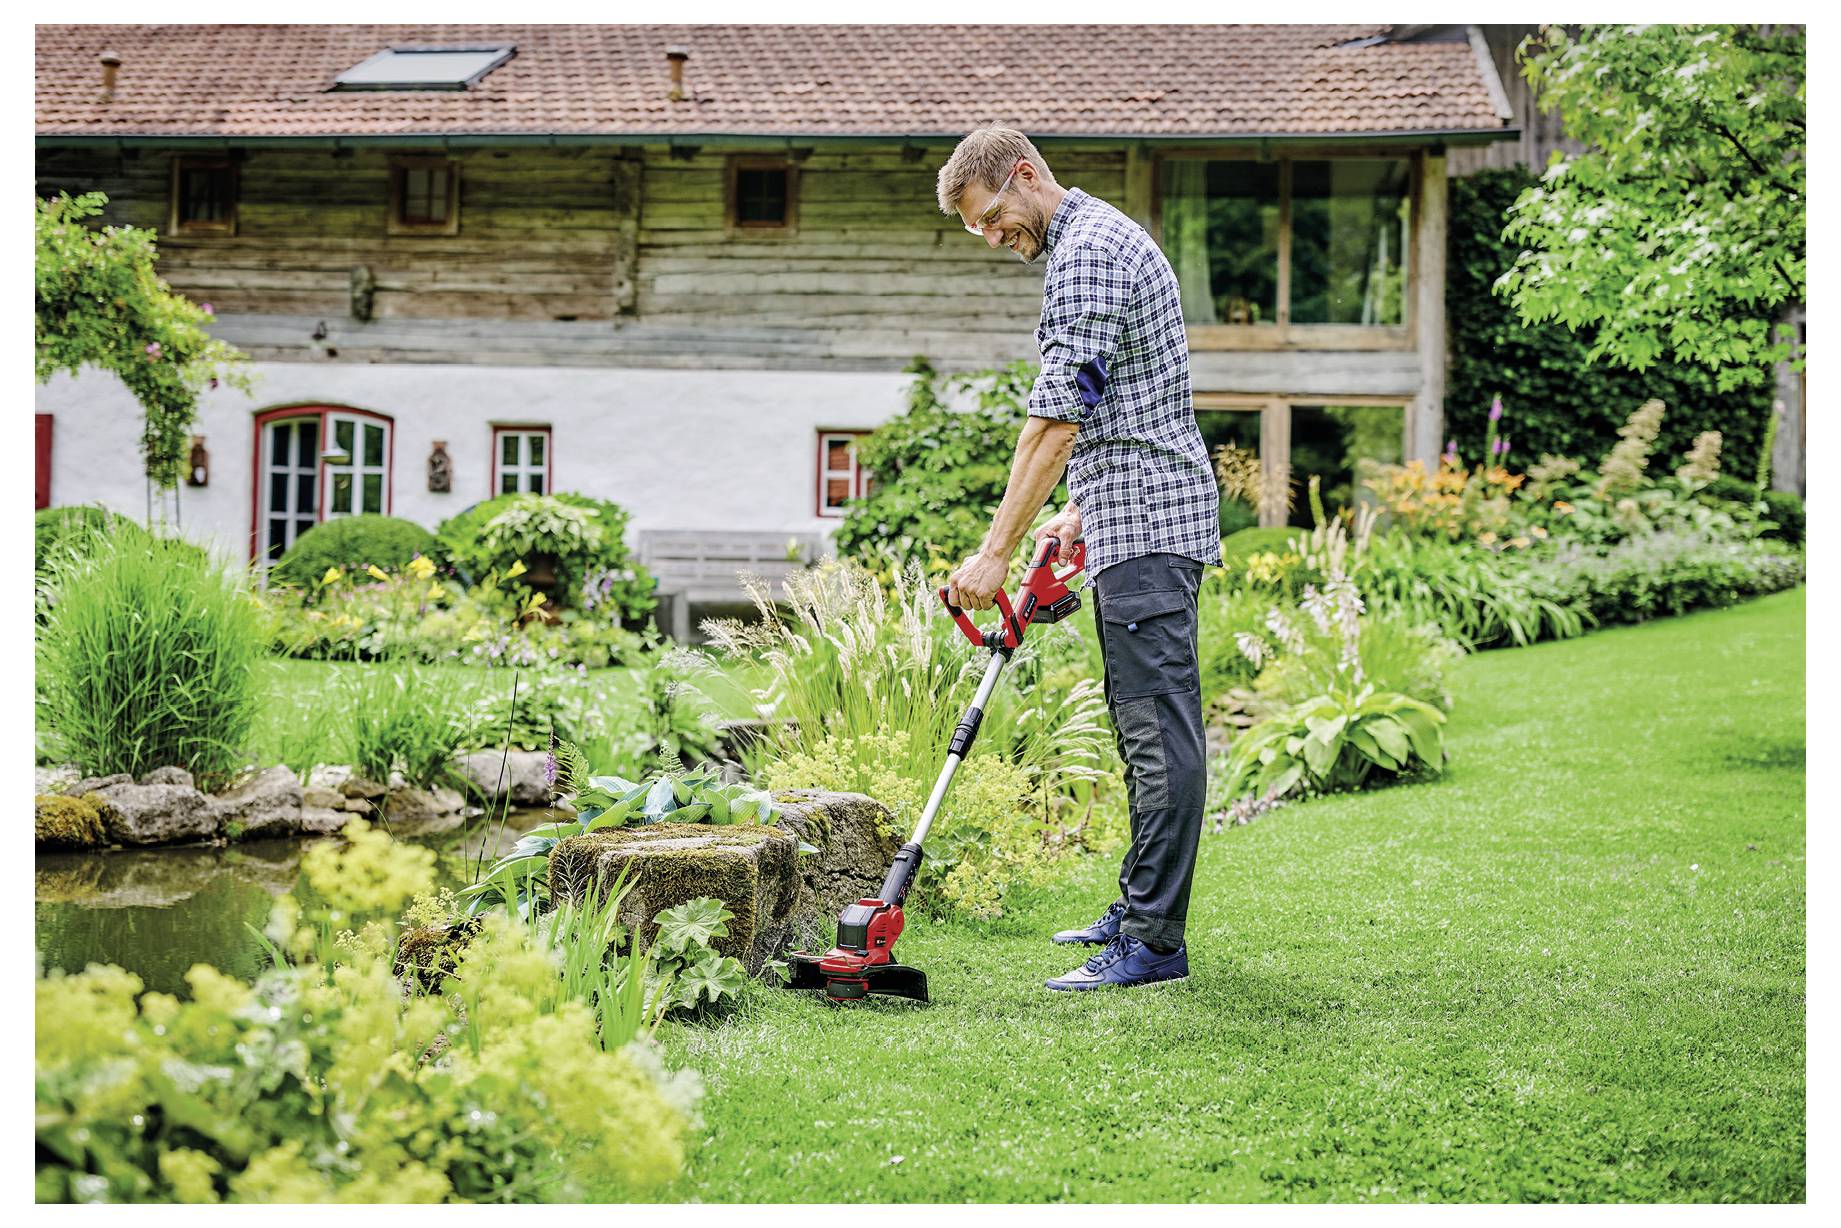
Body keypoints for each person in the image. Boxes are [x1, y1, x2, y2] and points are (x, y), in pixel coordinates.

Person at [936, 126, 1221, 992]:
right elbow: (1125, 401)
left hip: (1147, 524)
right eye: (978, 231)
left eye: (991, 218)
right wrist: (1074, 511)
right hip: (1127, 513)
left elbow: (1056, 420)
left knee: (1155, 726)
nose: (992, 239)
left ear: (1024, 175)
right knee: (1139, 723)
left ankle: (1153, 945)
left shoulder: (1088, 253)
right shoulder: (1096, 238)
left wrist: (996, 552)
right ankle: (1140, 909)